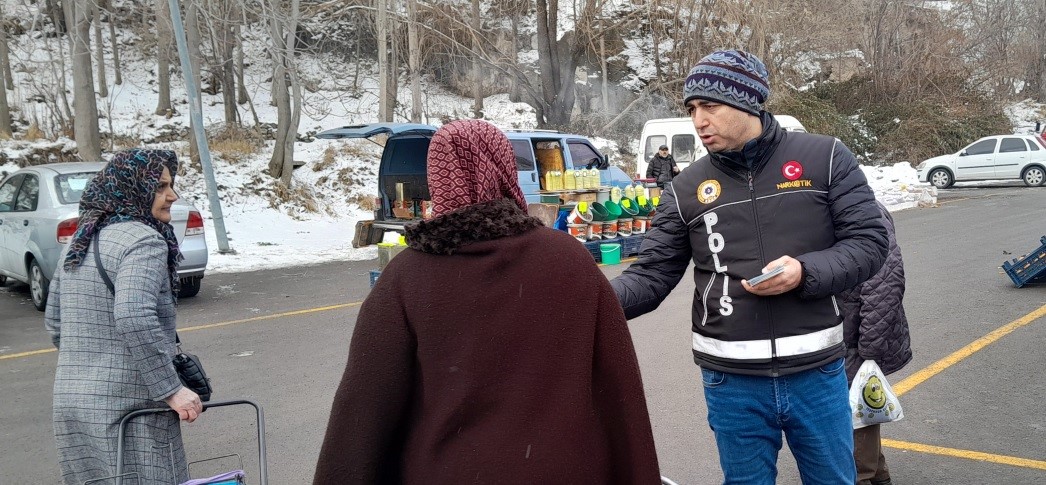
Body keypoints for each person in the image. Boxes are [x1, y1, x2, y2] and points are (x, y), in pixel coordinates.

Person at [313, 120, 660, 484]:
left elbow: (362, 415)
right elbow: (620, 394)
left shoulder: (406, 277)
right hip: (563, 469)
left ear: (437, 179)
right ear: (504, 168)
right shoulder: (570, 262)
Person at [610, 49, 889, 484]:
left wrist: (804, 272)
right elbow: (651, 274)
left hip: (816, 372)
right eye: (691, 109)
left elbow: (869, 242)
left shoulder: (826, 158)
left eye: (710, 106)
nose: (699, 121)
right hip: (730, 382)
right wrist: (583, 297)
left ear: (748, 102)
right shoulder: (685, 188)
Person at [45, 149, 202, 485]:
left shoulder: (80, 239)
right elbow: (133, 316)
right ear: (131, 188)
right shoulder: (145, 241)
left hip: (72, 402)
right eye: (160, 187)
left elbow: (55, 323)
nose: (172, 195)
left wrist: (90, 365)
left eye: (171, 185)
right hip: (131, 409)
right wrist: (172, 389)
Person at [841, 200, 912, 485]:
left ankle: (861, 477)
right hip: (847, 334)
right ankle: (878, 474)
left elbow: (885, 286)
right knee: (857, 409)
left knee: (856, 414)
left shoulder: (862, 212)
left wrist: (868, 349)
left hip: (858, 337)